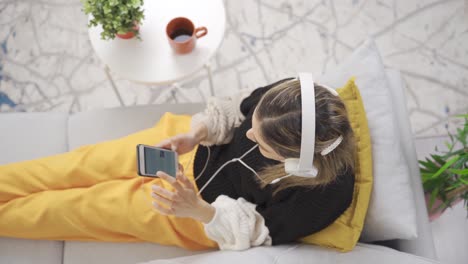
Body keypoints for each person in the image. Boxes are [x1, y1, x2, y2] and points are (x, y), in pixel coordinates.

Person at [0, 77, 355, 251]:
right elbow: (236, 109)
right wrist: (197, 132)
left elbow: (257, 233)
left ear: (296, 164)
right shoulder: (291, 100)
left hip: (195, 210)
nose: (248, 135)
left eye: (260, 144)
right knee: (74, 167)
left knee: (79, 208)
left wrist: (199, 210)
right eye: (255, 126)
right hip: (190, 146)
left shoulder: (321, 194)